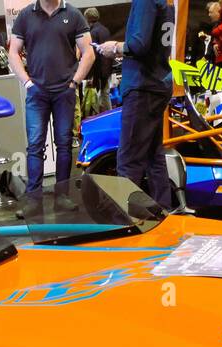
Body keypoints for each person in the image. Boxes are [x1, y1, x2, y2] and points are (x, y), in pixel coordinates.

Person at [8, 0, 96, 195]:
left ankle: (62, 195)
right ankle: (33, 199)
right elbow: (13, 52)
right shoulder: (25, 15)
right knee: (35, 145)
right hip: (36, 92)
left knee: (64, 144)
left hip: (64, 91)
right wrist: (27, 82)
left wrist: (74, 82)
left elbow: (89, 53)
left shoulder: (73, 14)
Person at [100, 0, 173, 206]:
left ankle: (125, 223)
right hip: (158, 83)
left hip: (143, 86)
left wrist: (114, 47)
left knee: (129, 161)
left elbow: (139, 44)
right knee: (153, 157)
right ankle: (164, 212)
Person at [86, 7, 111, 110]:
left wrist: (91, 76)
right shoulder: (105, 30)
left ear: (87, 19)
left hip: (99, 70)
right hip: (108, 68)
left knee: (101, 97)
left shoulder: (93, 33)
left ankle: (104, 117)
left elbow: (93, 56)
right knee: (105, 94)